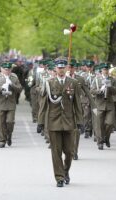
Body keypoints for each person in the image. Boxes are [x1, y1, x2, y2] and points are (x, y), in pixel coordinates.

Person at [37, 58, 83, 187]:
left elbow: (77, 104)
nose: (61, 70)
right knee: (56, 152)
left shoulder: (73, 83)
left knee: (69, 152)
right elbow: (43, 104)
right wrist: (40, 122)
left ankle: (65, 171)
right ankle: (59, 177)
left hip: (69, 122)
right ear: (55, 69)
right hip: (54, 122)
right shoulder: (49, 83)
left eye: (63, 68)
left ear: (66, 69)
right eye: (59, 68)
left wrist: (80, 121)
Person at [0, 62, 22, 148]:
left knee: (10, 122)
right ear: (1, 69)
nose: (7, 71)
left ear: (11, 69)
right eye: (5, 69)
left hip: (11, 103)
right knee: (0, 123)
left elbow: (19, 88)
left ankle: (9, 135)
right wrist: (1, 88)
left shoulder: (14, 77)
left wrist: (12, 85)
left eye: (8, 69)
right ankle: (2, 140)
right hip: (0, 103)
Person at [90, 63, 116, 150]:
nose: (105, 71)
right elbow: (92, 91)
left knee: (110, 123)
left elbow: (115, 91)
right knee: (99, 125)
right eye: (104, 70)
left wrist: (110, 87)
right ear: (101, 70)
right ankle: (100, 142)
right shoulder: (96, 79)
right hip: (98, 104)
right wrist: (100, 90)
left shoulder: (112, 79)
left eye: (107, 69)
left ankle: (106, 138)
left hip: (109, 104)